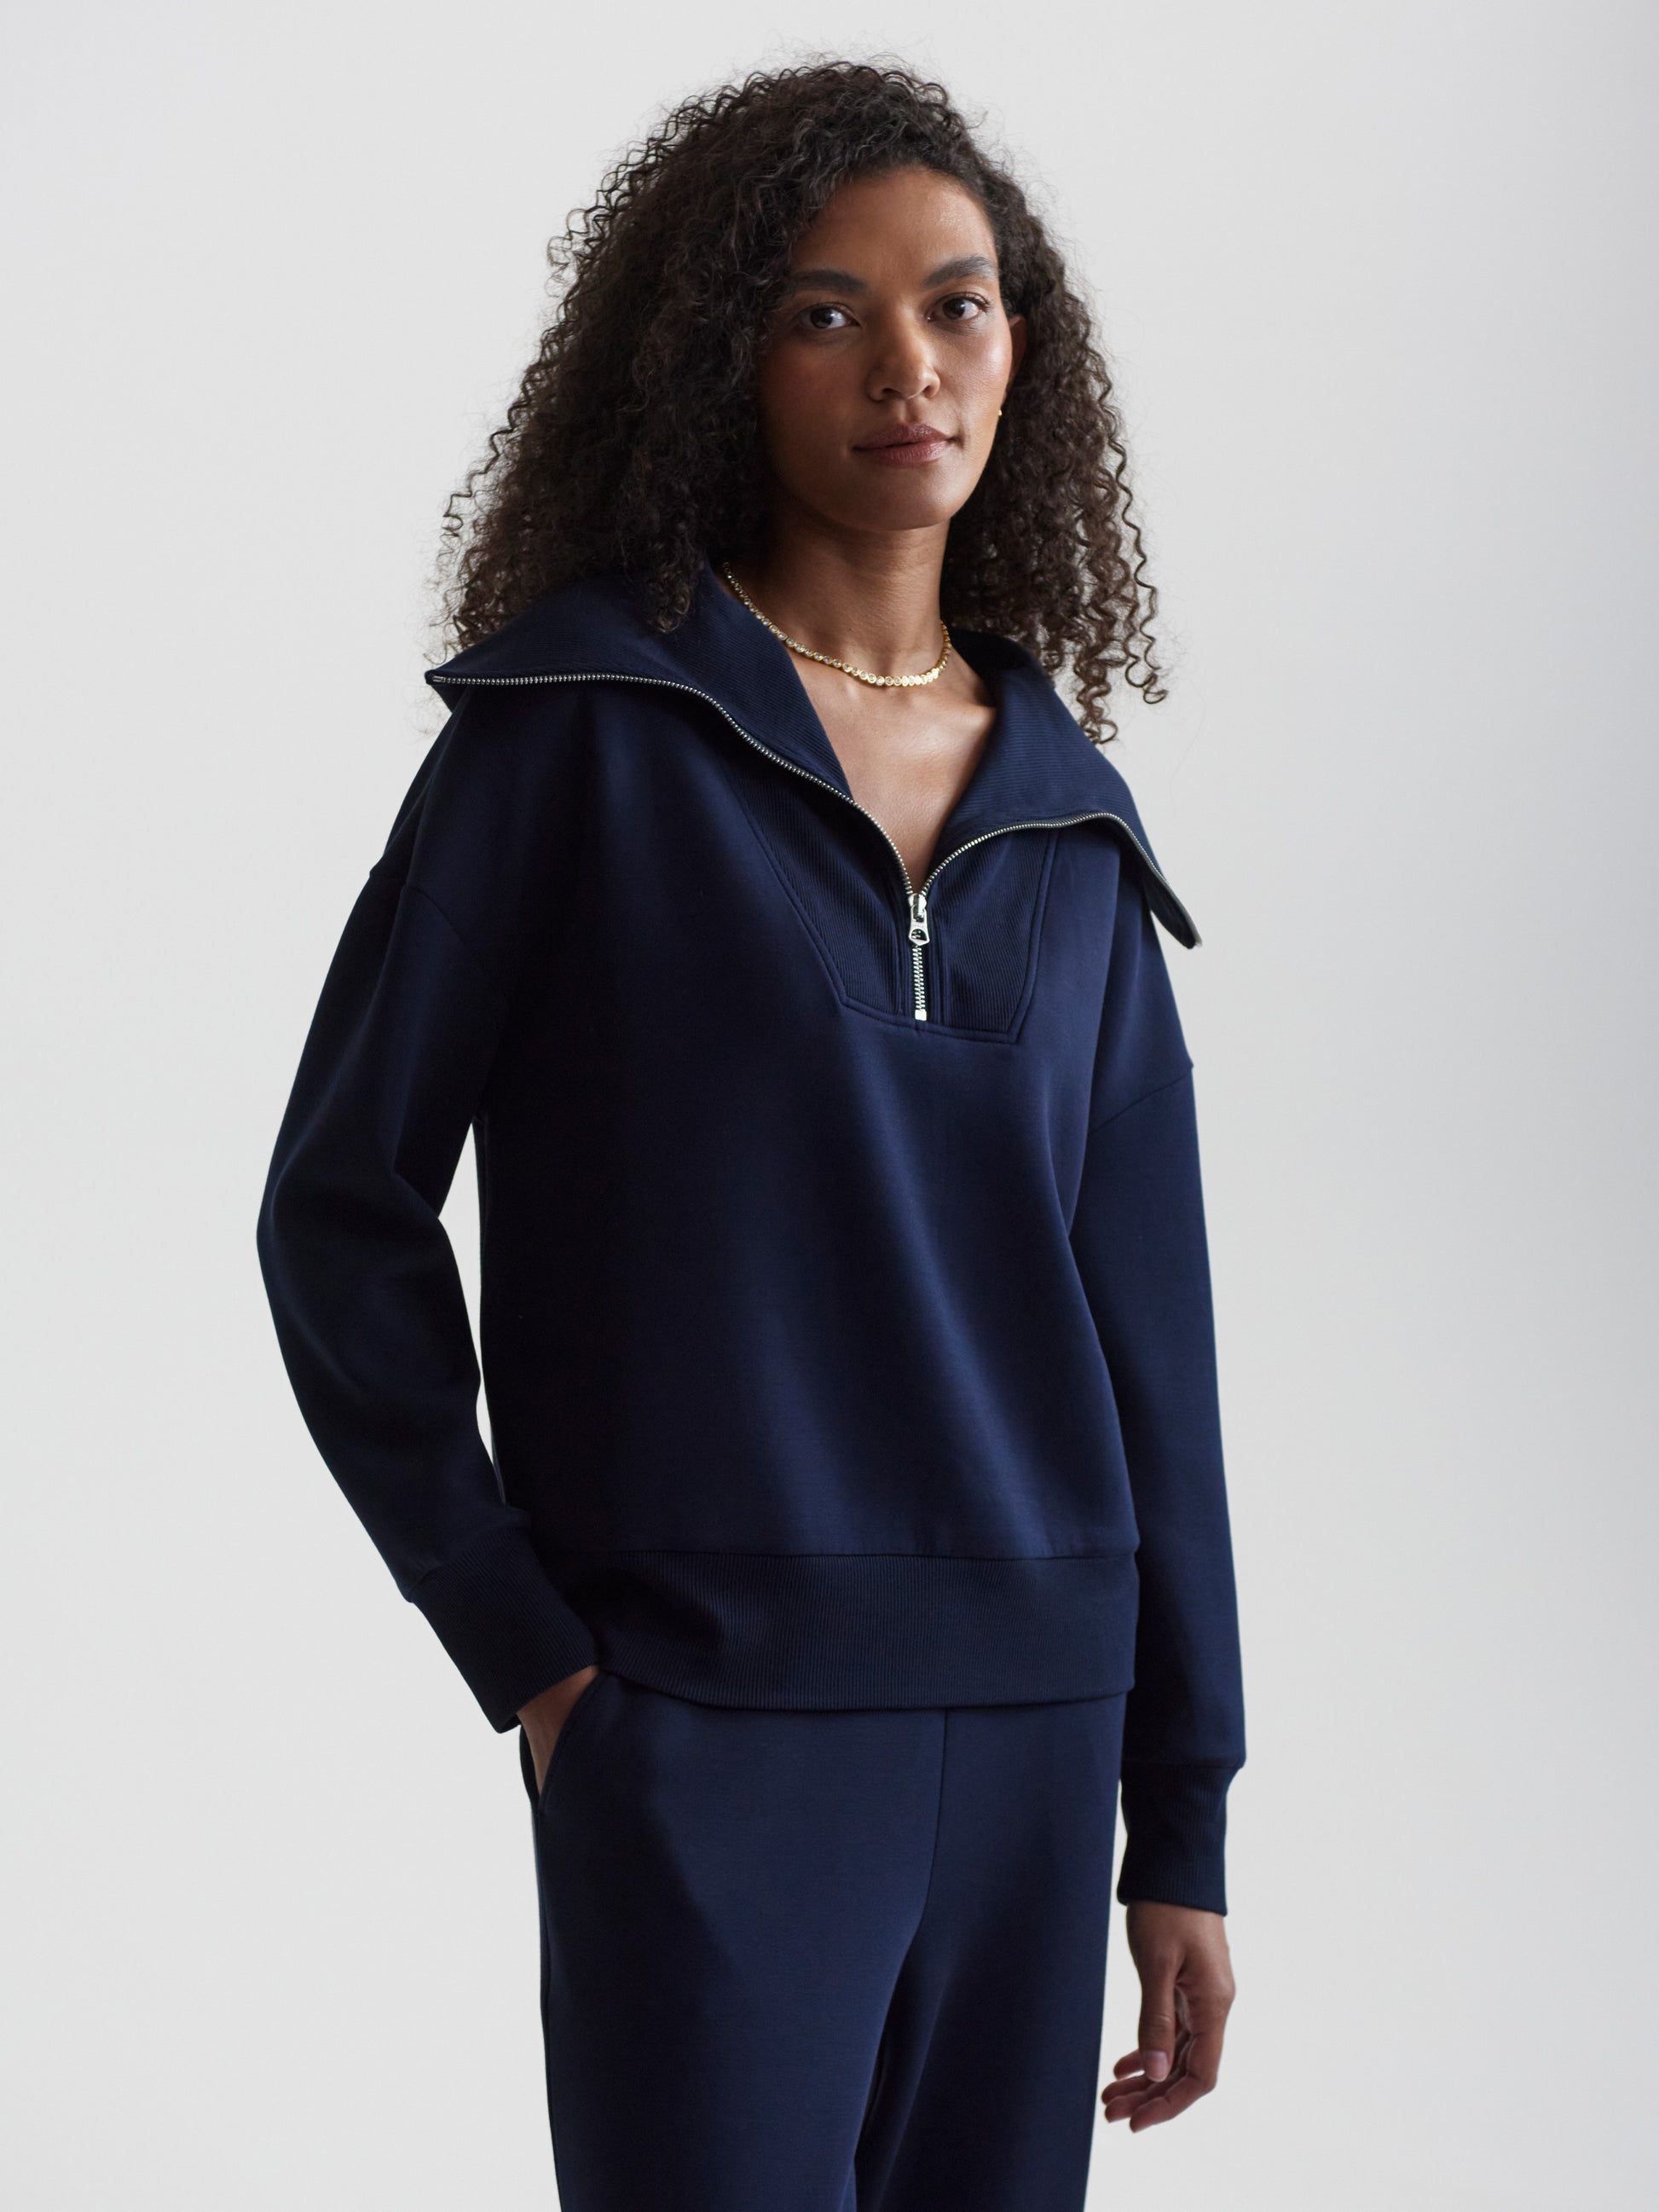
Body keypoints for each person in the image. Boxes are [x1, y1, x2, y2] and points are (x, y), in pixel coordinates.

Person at [257, 60, 1245, 2212]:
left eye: (957, 303)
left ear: (1020, 348)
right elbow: (338, 1210)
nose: (909, 364)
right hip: (700, 1716)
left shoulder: (1070, 821)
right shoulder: (573, 741)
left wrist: (1181, 1817)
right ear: (724, 356)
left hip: (1042, 1734)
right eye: (825, 311)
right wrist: (529, 1649)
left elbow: (1150, 1342)